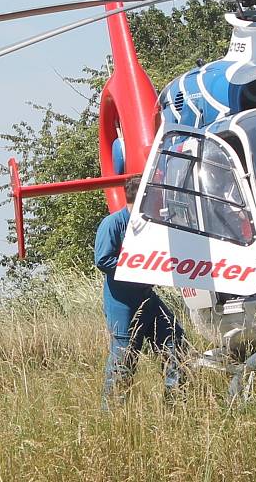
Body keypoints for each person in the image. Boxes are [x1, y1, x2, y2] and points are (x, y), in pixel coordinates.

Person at [95, 176, 185, 410]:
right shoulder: (113, 224)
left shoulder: (151, 225)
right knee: (124, 357)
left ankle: (175, 404)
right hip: (121, 302)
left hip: (147, 297)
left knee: (174, 342)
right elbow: (103, 259)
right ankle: (113, 413)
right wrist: (137, 268)